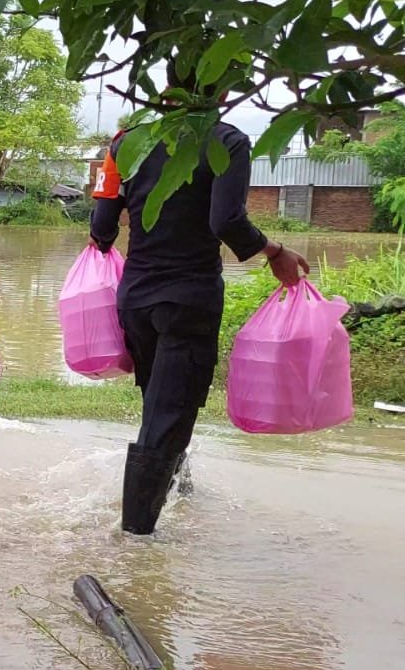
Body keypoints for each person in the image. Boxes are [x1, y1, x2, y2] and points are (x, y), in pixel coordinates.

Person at [90, 61, 308, 534]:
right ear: (219, 88)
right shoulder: (226, 140)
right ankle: (135, 541)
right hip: (188, 300)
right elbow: (225, 222)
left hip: (136, 301)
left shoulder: (127, 142)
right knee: (170, 412)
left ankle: (175, 491)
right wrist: (274, 251)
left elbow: (101, 229)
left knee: (160, 405)